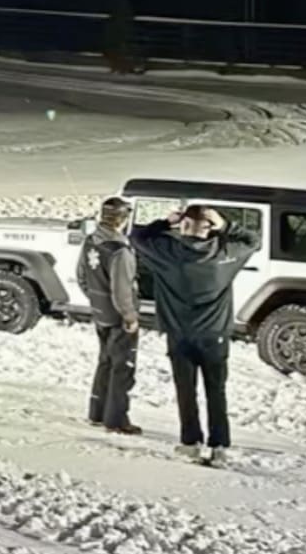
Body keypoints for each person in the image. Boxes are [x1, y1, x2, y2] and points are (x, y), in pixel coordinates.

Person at [130, 205, 259, 463]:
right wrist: (224, 224)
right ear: (209, 227)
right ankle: (219, 445)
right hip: (215, 334)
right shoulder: (223, 255)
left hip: (179, 333)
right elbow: (253, 241)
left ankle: (191, 442)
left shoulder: (166, 253)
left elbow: (136, 237)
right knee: (216, 390)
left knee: (185, 390)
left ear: (184, 225)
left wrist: (166, 222)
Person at [77, 196, 142, 435]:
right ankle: (115, 419)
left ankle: (97, 410)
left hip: (100, 311)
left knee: (104, 361)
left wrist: (96, 300)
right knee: (122, 366)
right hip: (117, 316)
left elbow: (82, 275)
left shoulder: (91, 242)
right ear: (123, 219)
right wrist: (129, 316)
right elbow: (122, 288)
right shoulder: (119, 250)